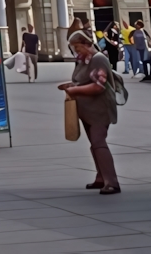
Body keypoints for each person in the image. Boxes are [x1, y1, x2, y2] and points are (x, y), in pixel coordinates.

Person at [58, 30, 120, 194]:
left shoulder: (98, 59)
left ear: (87, 44)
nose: (76, 52)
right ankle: (101, 177)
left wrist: (75, 90)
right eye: (74, 49)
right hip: (87, 109)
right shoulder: (84, 60)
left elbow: (98, 86)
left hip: (100, 108)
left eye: (77, 47)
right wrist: (71, 85)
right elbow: (83, 80)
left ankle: (112, 182)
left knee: (99, 142)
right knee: (94, 144)